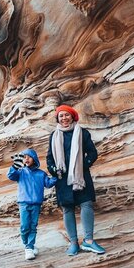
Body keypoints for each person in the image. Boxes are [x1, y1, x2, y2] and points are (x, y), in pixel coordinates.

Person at [46, 104, 106, 256]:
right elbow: (49, 159)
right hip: (62, 178)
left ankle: (89, 241)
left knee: (86, 205)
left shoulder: (82, 133)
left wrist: (83, 166)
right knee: (67, 209)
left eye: (67, 115)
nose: (64, 118)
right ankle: (73, 243)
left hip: (81, 176)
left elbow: (92, 153)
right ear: (58, 119)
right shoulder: (54, 136)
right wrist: (53, 169)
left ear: (73, 116)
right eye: (61, 116)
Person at [7, 148, 57, 260]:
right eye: (24, 157)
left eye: (29, 157)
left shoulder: (41, 174)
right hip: (23, 203)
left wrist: (56, 176)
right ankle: (27, 245)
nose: (26, 159)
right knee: (24, 227)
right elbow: (10, 176)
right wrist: (15, 166)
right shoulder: (20, 172)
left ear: (34, 159)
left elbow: (48, 184)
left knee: (33, 226)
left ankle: (29, 247)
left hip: (36, 204)